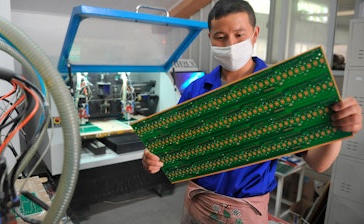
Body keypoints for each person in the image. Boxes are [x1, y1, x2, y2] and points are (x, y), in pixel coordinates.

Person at [142, 0, 363, 223]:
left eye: (239, 35)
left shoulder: (279, 92)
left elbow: (319, 163)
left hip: (246, 211)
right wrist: (152, 158)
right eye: (220, 37)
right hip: (197, 204)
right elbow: (170, 150)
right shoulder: (197, 91)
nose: (230, 44)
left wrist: (338, 130)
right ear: (210, 37)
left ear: (255, 34)